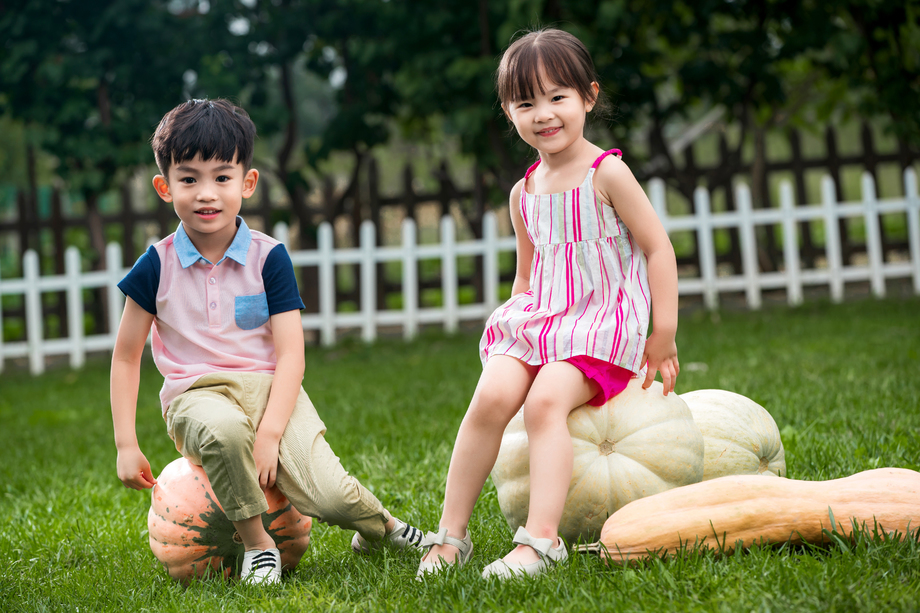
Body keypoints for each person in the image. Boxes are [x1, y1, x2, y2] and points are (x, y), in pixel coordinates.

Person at [110, 99, 424, 585]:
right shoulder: (156, 265)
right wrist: (125, 443)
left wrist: (272, 433)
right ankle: (259, 546)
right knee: (225, 433)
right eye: (189, 179)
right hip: (197, 396)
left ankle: (381, 528)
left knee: (331, 496)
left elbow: (291, 353)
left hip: (270, 391)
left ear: (247, 183)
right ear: (164, 186)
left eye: (222, 177)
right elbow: (127, 356)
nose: (206, 194)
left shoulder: (268, 257)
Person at [417, 28, 680, 580]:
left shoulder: (607, 173)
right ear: (509, 112)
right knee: (490, 397)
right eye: (525, 102)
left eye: (557, 96)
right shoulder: (524, 192)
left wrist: (665, 332)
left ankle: (539, 542)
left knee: (543, 404)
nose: (543, 113)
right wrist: (516, 339)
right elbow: (528, 275)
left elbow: (658, 247)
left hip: (602, 326)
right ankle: (449, 536)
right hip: (546, 321)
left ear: (588, 96)